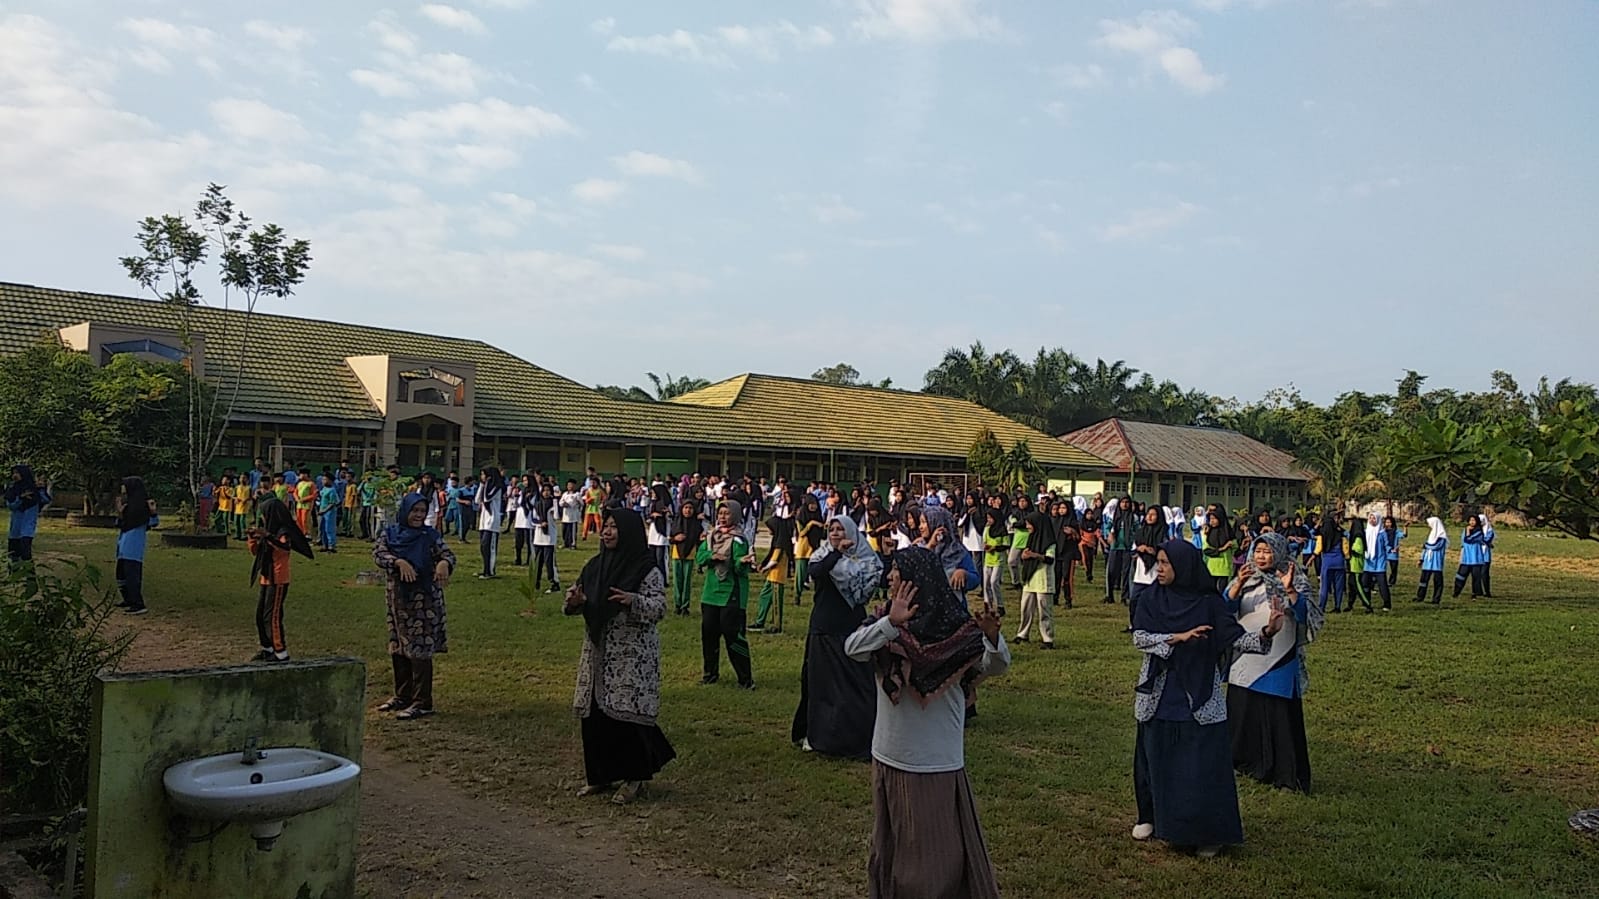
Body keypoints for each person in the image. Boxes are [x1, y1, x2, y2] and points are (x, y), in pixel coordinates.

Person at [845, 547, 1009, 899]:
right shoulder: (885, 623)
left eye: (897, 571)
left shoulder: (957, 631)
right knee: (892, 848)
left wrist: (992, 639)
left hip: (935, 763)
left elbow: (995, 666)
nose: (890, 577)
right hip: (889, 754)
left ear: (918, 580)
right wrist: (890, 624)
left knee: (936, 859)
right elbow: (852, 648)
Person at [1131, 539, 1283, 857]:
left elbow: (1235, 639)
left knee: (1201, 766)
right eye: (1159, 562)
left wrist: (1267, 632)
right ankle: (1157, 818)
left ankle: (1208, 833)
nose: (1159, 569)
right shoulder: (1150, 598)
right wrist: (1177, 638)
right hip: (1159, 694)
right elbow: (1140, 638)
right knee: (1157, 759)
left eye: (1166, 563)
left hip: (1199, 695)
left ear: (1184, 566)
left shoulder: (1208, 603)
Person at [564, 508, 676, 805]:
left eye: (614, 527)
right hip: (598, 653)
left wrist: (632, 601)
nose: (607, 532)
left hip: (631, 657)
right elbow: (577, 599)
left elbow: (659, 608)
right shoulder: (595, 566)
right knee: (595, 716)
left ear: (628, 531)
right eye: (606, 526)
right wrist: (575, 602)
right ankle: (600, 776)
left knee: (627, 717)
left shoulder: (646, 569)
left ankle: (634, 778)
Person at [1226, 532, 1321, 793]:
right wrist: (1237, 585)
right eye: (1258, 551)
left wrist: (1289, 589)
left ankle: (1285, 774)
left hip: (1278, 659)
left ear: (1278, 552)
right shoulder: (1245, 577)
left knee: (1278, 718)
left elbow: (1306, 615)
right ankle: (1243, 762)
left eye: (1267, 552)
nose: (1261, 557)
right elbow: (1225, 608)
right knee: (1243, 713)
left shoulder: (1295, 578)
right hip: (1245, 658)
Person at [791, 514, 882, 759]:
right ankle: (818, 736)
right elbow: (816, 572)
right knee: (821, 686)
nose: (835, 533)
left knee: (855, 686)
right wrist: (837, 553)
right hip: (824, 629)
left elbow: (876, 581)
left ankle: (856, 737)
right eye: (831, 529)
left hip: (853, 629)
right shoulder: (822, 556)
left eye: (841, 530)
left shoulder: (866, 559)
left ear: (851, 532)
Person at [373, 493, 456, 720]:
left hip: (424, 602)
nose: (419, 515)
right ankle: (403, 695)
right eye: (415, 511)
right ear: (405, 511)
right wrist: (398, 562)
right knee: (399, 646)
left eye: (422, 511)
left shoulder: (430, 536)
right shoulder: (390, 533)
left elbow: (448, 555)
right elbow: (379, 554)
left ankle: (422, 702)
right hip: (398, 600)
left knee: (419, 649)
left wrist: (443, 563)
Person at [246, 496, 315, 662]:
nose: (263, 517)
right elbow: (257, 552)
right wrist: (252, 539)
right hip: (266, 577)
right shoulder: (268, 529)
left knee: (273, 616)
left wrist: (268, 536)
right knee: (260, 615)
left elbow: (284, 548)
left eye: (264, 514)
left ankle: (280, 652)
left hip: (278, 579)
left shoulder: (283, 532)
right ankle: (267, 648)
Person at [695, 499, 755, 688]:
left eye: (727, 513)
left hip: (731, 594)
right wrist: (711, 556)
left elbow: (740, 569)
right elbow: (700, 557)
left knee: (733, 636)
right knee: (709, 634)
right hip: (710, 593)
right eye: (720, 513)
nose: (722, 517)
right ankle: (710, 674)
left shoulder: (739, 540)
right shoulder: (711, 536)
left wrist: (742, 563)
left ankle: (745, 679)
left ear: (735, 516)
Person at [115, 476, 159, 615]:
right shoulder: (128, 507)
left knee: (132, 576)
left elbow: (153, 523)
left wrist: (153, 512)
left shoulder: (142, 507)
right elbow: (120, 524)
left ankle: (138, 604)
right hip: (123, 546)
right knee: (121, 575)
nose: (123, 491)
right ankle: (128, 599)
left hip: (133, 548)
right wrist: (120, 512)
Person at [1014, 510, 1057, 648]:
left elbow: (1050, 559)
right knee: (1025, 607)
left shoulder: (1049, 541)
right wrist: (1024, 556)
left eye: (1029, 524)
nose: (1027, 527)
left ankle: (1047, 638)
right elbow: (1026, 554)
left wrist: (1034, 555)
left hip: (1043, 579)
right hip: (1030, 578)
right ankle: (1023, 634)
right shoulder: (1031, 538)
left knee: (1044, 610)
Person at [752, 515, 794, 633]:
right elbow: (770, 555)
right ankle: (760, 621)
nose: (769, 530)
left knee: (776, 603)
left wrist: (765, 568)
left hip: (777, 577)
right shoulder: (777, 540)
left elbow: (774, 560)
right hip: (772, 576)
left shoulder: (781, 543)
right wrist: (763, 564)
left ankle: (777, 626)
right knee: (764, 596)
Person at [6, 465, 49, 564]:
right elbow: (11, 506)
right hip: (15, 529)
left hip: (27, 529)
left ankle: (30, 574)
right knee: (13, 556)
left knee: (26, 555)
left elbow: (45, 500)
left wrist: (41, 489)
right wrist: (20, 498)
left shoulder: (34, 490)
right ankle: (14, 573)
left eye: (17, 473)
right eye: (13, 473)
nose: (15, 475)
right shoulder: (12, 490)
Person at [669, 499, 702, 616]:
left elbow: (699, 539)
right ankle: (677, 604)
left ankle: (685, 605)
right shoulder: (676, 522)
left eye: (690, 508)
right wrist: (675, 538)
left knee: (687, 581)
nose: (688, 510)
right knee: (677, 580)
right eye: (686, 508)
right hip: (677, 553)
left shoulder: (696, 524)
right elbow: (670, 538)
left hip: (690, 553)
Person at [1359, 512, 1393, 612]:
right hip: (1368, 562)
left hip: (1379, 563)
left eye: (1374, 518)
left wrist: (1390, 550)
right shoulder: (1365, 532)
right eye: (1370, 518)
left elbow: (1386, 545)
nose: (1372, 520)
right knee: (1365, 583)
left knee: (1382, 584)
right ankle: (1367, 602)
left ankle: (1387, 604)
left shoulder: (1382, 533)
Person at [475, 467, 505, 578]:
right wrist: (481, 485)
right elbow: (477, 500)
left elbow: (487, 498)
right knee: (483, 546)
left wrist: (486, 484)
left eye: (483, 475)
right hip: (484, 520)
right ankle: (485, 568)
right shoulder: (485, 487)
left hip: (492, 521)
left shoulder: (497, 487)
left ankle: (490, 571)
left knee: (490, 546)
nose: (482, 477)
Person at [530, 484, 561, 594]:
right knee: (538, 561)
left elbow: (556, 516)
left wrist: (555, 501)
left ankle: (554, 583)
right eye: (544, 490)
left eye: (548, 490)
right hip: (538, 537)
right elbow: (533, 519)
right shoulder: (537, 504)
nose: (546, 493)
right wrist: (540, 523)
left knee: (549, 562)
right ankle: (536, 582)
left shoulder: (552, 504)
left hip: (549, 537)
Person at [794, 495, 825, 602]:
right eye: (811, 504)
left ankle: (818, 597)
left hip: (815, 549)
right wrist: (811, 523)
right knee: (800, 575)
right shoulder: (801, 517)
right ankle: (797, 596)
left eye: (815, 504)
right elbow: (801, 533)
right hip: (803, 549)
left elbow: (822, 535)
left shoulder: (818, 516)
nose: (813, 507)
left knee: (817, 574)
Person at [1316, 514, 1347, 612]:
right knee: (1338, 586)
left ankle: (1322, 607)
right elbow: (1346, 550)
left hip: (1327, 563)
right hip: (1339, 562)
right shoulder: (1340, 534)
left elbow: (1318, 549)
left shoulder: (1322, 535)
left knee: (1324, 586)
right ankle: (1337, 607)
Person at [1201, 510, 1235, 596]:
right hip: (1212, 568)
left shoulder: (1228, 532)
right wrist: (1222, 549)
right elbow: (1206, 549)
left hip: (1225, 567)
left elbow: (1235, 547)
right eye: (1210, 519)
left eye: (1214, 518)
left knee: (1222, 591)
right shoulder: (1208, 533)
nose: (1212, 521)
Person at [1454, 513, 1488, 598]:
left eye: (1473, 520)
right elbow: (1463, 541)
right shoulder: (1465, 530)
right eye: (1470, 520)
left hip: (1476, 558)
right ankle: (1456, 592)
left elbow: (1468, 539)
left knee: (1475, 577)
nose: (1472, 522)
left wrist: (1468, 531)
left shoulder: (1479, 532)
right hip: (1466, 558)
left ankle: (1475, 593)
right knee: (1460, 576)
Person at [1415, 516, 1448, 603]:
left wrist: (1426, 545)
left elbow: (1436, 546)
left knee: (1438, 581)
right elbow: (1425, 549)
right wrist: (1421, 559)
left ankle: (1436, 599)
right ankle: (1420, 597)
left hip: (1436, 562)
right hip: (1427, 562)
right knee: (1423, 580)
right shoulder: (1431, 535)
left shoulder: (1442, 537)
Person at [1383, 516, 1405, 587]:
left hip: (1393, 553)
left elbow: (1404, 535)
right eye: (1386, 522)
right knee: (1382, 568)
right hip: (1384, 552)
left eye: (1389, 522)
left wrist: (1405, 527)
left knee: (1393, 568)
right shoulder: (1383, 531)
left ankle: (1391, 582)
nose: (1388, 524)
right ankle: (1381, 581)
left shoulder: (1396, 531)